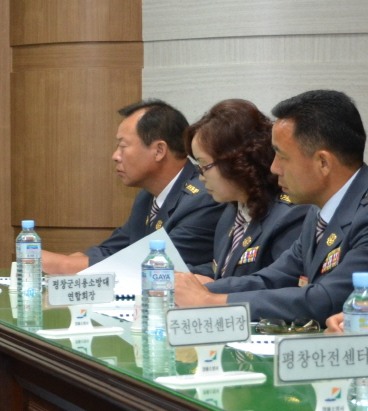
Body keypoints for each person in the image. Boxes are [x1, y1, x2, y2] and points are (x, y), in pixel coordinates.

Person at [176, 90, 368, 322]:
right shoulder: (319, 211)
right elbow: (273, 278)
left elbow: (325, 299)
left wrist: (209, 302)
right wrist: (199, 290)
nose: (274, 168)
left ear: (323, 162)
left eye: (282, 157)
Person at [43, 100, 223, 275]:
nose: (115, 156)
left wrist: (63, 265)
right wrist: (78, 260)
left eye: (123, 146)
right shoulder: (146, 197)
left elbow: (154, 265)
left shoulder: (204, 199)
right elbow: (112, 249)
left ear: (159, 151)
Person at [185, 100, 307, 278]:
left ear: (236, 162)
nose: (201, 177)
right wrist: (180, 277)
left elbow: (276, 284)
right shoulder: (232, 211)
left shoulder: (288, 216)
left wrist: (211, 288)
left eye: (204, 165)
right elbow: (222, 270)